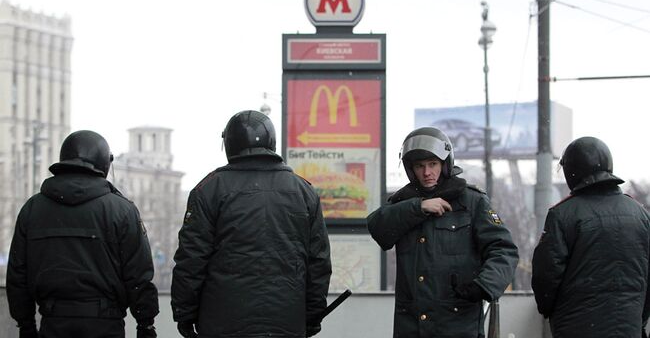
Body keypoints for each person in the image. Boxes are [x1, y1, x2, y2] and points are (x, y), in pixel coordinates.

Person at [171, 110, 332, 338]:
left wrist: (184, 312)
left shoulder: (209, 190)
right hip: (286, 321)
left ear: (230, 143)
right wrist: (314, 313)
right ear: (271, 142)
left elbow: (192, 259)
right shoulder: (303, 191)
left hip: (222, 322)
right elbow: (318, 261)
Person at [367, 126, 518, 338]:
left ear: (445, 164)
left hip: (457, 323)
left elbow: (504, 250)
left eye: (432, 164)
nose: (427, 173)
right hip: (411, 326)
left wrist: (484, 285)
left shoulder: (471, 201)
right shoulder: (403, 202)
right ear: (411, 169)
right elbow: (377, 228)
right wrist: (418, 207)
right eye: (419, 166)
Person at [6, 130, 159, 338]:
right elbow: (138, 274)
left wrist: (25, 324)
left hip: (52, 324)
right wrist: (146, 323)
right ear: (104, 163)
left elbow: (18, 275)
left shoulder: (32, 209)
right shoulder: (121, 210)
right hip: (106, 326)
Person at [532, 136, 650, 338]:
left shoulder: (562, 215)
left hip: (576, 328)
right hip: (628, 327)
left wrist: (548, 309)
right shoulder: (640, 214)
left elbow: (546, 275)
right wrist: (639, 317)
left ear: (572, 171)